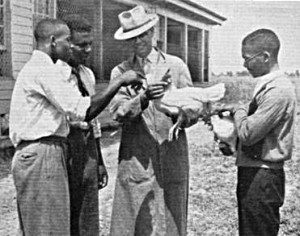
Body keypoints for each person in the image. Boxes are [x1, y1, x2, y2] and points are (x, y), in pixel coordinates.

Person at [9, 18, 142, 235]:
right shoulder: (44, 69)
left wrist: (97, 158)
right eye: (68, 41)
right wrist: (118, 82)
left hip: (54, 150)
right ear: (53, 41)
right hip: (43, 151)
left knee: (64, 223)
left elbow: (90, 120)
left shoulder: (57, 70)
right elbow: (82, 110)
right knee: (48, 227)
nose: (71, 46)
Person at [109, 6, 202, 236]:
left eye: (142, 34)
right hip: (137, 158)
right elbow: (119, 113)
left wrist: (179, 111)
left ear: (153, 32)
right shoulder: (120, 72)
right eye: (131, 37)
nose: (137, 41)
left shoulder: (176, 66)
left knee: (173, 219)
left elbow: (194, 111)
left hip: (172, 155)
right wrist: (143, 98)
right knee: (138, 221)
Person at [215, 29, 296, 236]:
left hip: (264, 177)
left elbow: (249, 132)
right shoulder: (268, 87)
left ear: (266, 57)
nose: (244, 65)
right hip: (254, 172)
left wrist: (238, 109)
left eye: (247, 59)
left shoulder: (278, 90)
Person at [62, 14, 107, 236]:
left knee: (88, 214)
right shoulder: (53, 74)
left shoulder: (87, 74)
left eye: (90, 44)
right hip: (63, 149)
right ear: (65, 44)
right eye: (82, 45)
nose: (88, 50)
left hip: (86, 148)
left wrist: (98, 160)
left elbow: (93, 119)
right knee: (65, 212)